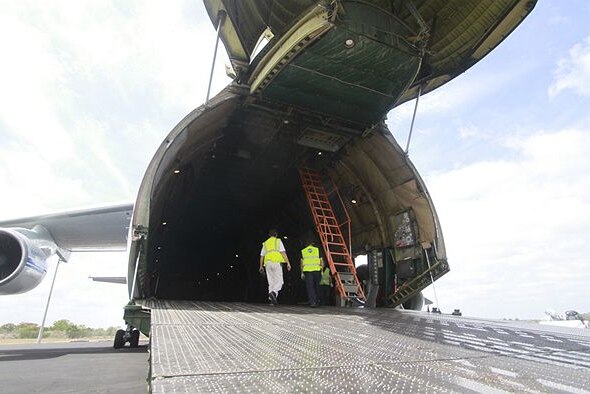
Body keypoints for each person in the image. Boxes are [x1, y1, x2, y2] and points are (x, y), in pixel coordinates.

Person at [259, 229, 291, 305]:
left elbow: (261, 256)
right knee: (280, 281)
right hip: (276, 262)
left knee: (271, 282)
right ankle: (273, 292)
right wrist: (288, 263)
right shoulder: (278, 241)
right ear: (276, 235)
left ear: (269, 235)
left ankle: (271, 301)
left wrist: (260, 266)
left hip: (267, 263)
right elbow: (283, 253)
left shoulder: (265, 243)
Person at [300, 241, 323, 307]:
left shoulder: (303, 251)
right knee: (317, 286)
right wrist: (321, 270)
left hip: (308, 271)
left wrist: (301, 272)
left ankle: (312, 302)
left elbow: (301, 263)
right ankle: (317, 301)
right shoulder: (317, 250)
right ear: (312, 244)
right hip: (317, 270)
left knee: (310, 287)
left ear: (306, 244)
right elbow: (321, 261)